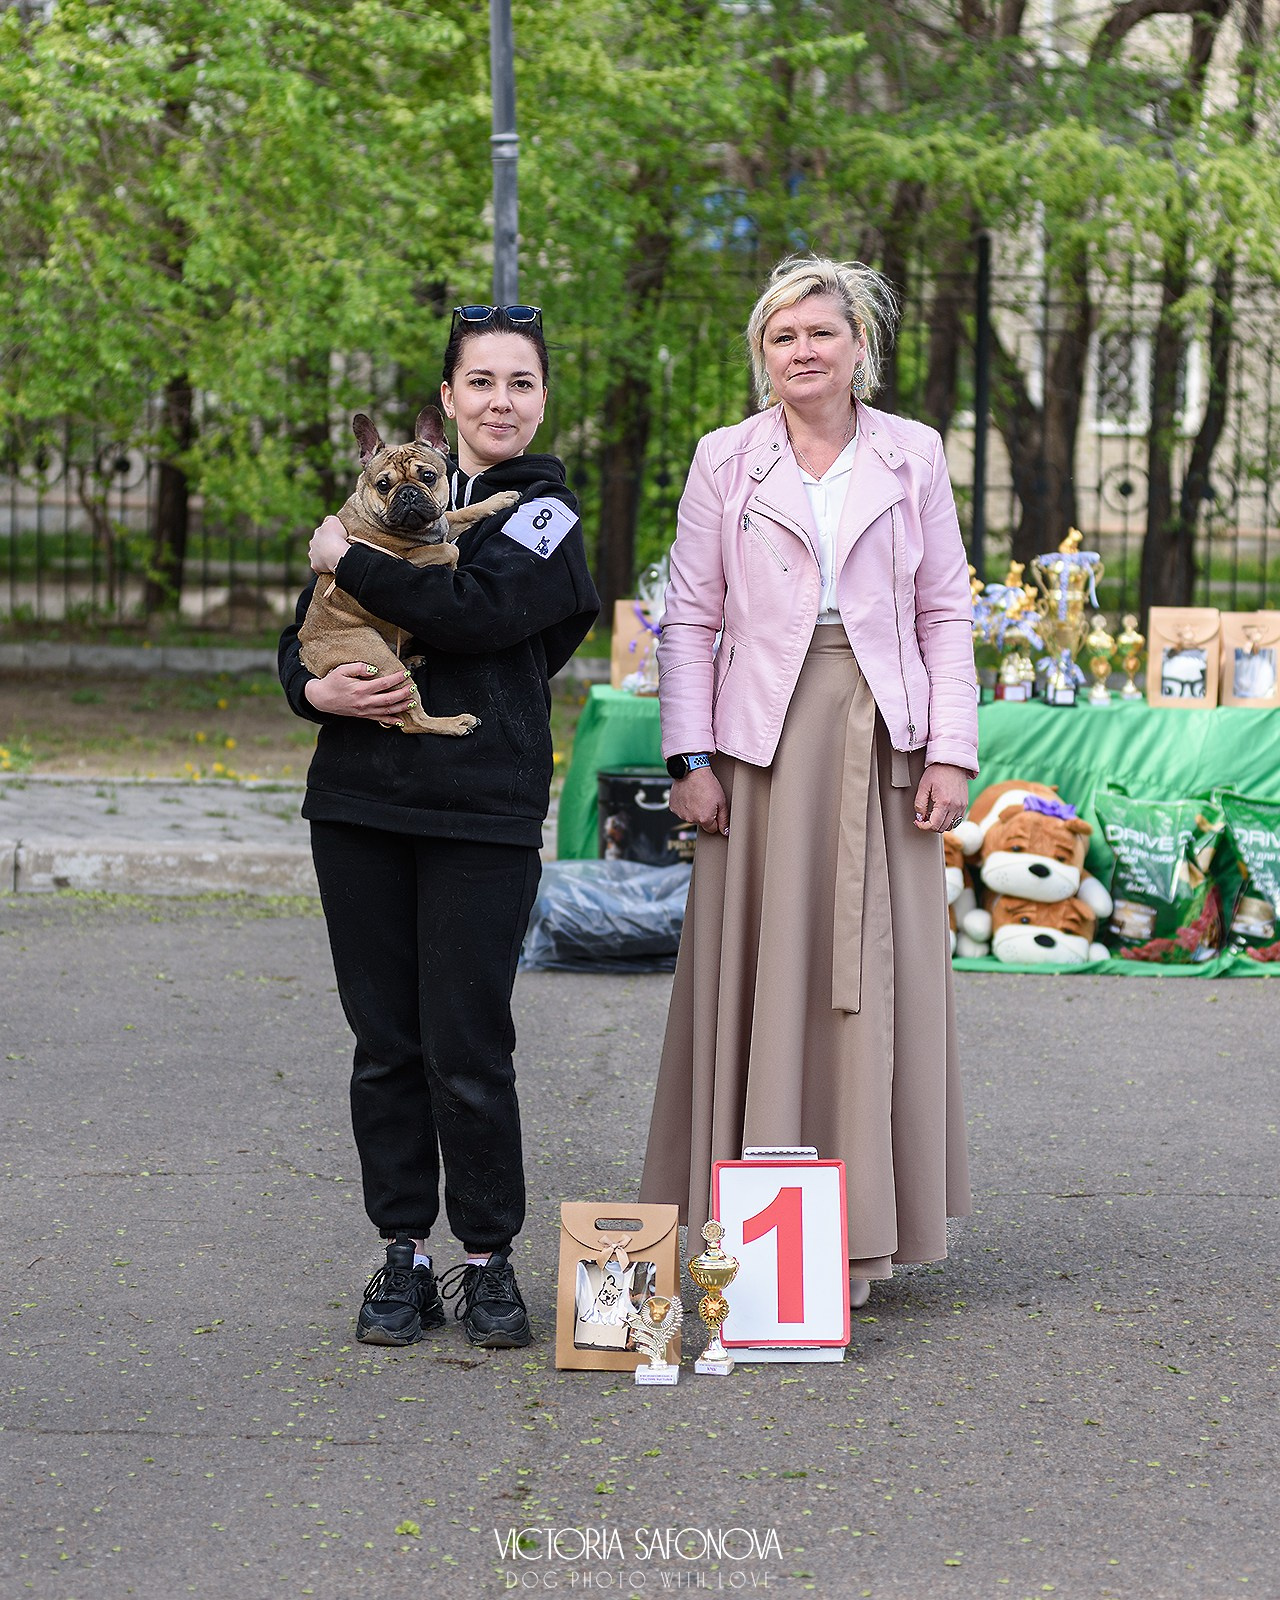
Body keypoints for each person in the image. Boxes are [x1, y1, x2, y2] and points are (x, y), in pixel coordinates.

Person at [639, 257, 977, 1307]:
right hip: (760, 745)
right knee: (763, 975)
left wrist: (951, 750)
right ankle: (759, 1235)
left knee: (872, 982)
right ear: (761, 354)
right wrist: (688, 757)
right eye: (780, 338)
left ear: (858, 348)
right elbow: (688, 621)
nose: (800, 353)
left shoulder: (912, 454)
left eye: (819, 334)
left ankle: (866, 1229)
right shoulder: (722, 460)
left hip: (883, 737)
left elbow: (944, 612)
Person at [279, 305, 599, 1348]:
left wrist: (346, 552)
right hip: (361, 799)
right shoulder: (389, 494)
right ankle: (402, 1253)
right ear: (451, 398)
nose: (501, 400)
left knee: (469, 1045)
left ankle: (489, 1259)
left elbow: (471, 612)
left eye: (520, 382)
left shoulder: (541, 514)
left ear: (541, 398)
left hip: (480, 804)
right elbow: (306, 637)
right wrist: (311, 693)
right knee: (385, 1044)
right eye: (481, 382)